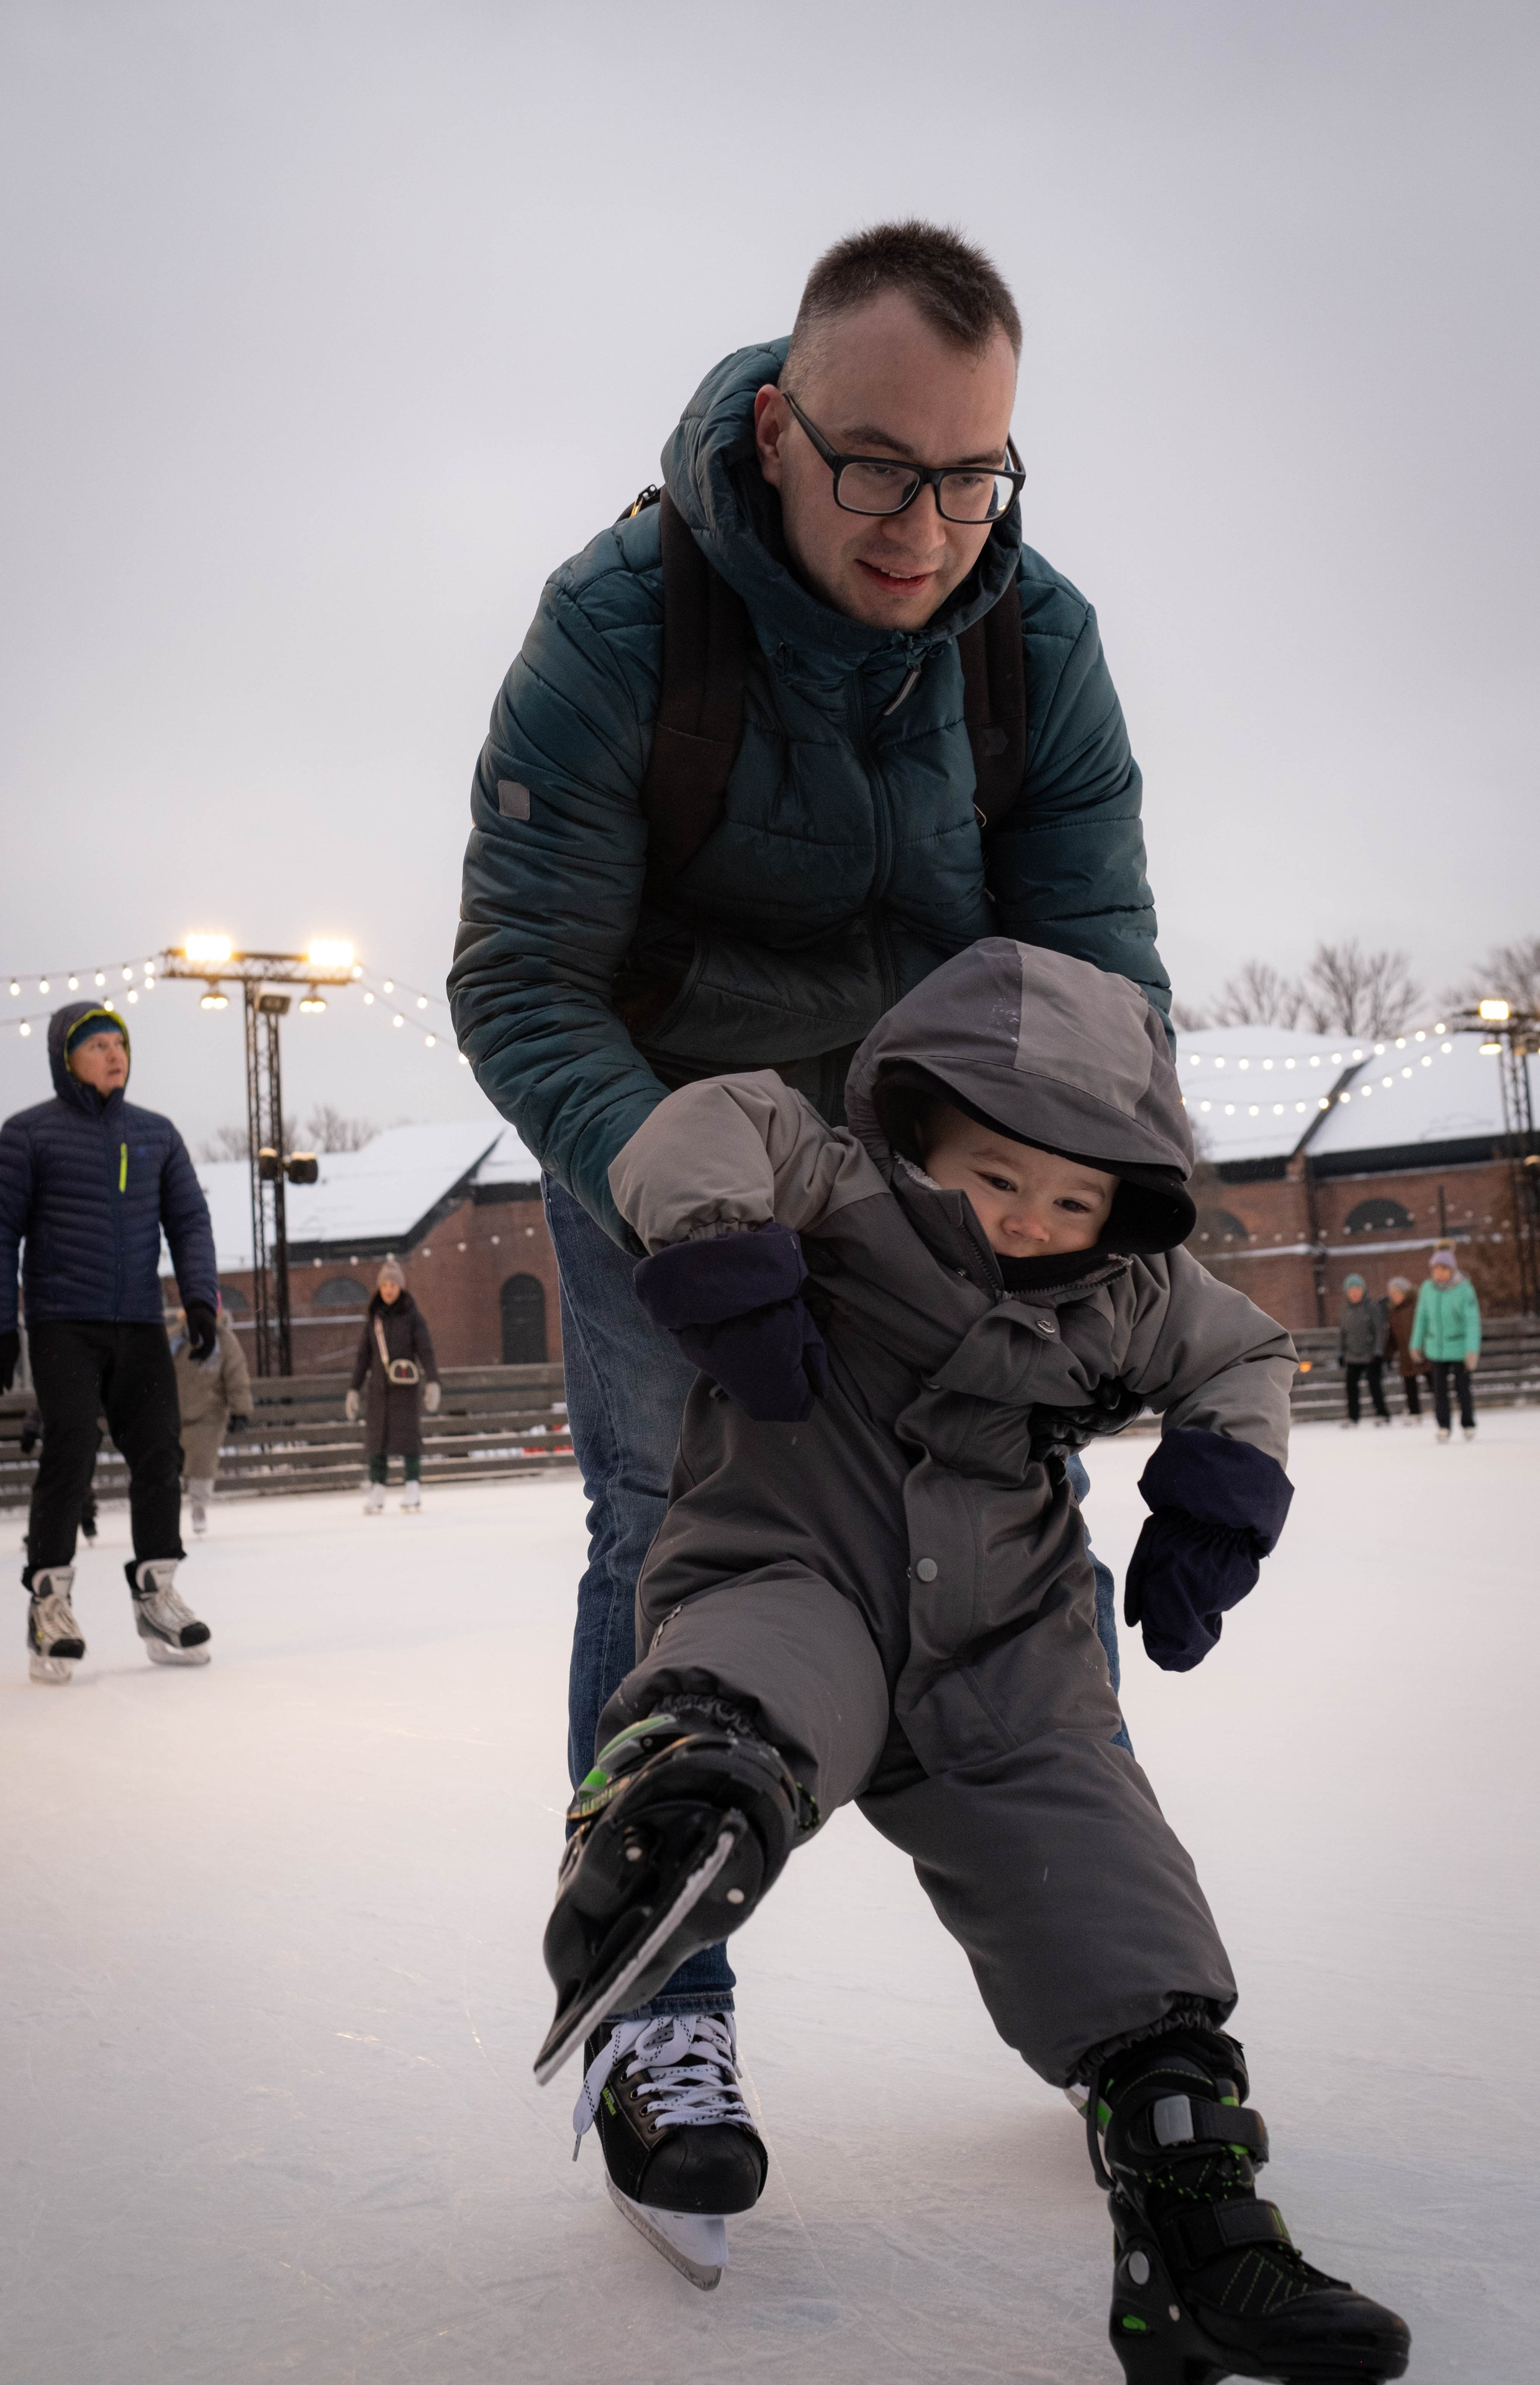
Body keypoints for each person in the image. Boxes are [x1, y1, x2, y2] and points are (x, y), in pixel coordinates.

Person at [450, 220, 1171, 2188]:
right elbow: (520, 977)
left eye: (969, 471)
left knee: (1019, 1546)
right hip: (670, 1135)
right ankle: (660, 2016)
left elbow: (1098, 968)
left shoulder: (1040, 641)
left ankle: (1126, 2006)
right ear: (774, 427)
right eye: (873, 462)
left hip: (939, 1160)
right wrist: (678, 1191)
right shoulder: (617, 628)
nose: (923, 524)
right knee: (665, 1532)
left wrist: (1131, 1251)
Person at [536, 940, 1410, 2379]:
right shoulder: (828, 1179)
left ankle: (1197, 2230)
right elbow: (698, 1123)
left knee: (1114, 1893)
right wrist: (718, 1249)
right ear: (914, 1124)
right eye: (994, 1176)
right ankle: (677, 1806)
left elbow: (1244, 1350)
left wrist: (1217, 1487)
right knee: (756, 1685)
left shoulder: (1120, 1286)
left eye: (1070, 1199)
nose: (1027, 1220)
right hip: (797, 1560)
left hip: (1004, 1637)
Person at [0, 1002, 219, 1683]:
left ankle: (156, 1593)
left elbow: (190, 1221)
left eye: (121, 1044)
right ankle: (49, 1602)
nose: (115, 1055)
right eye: (98, 1046)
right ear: (66, 1059)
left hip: (140, 1321)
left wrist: (200, 1298)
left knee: (160, 1452)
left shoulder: (156, 1135)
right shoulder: (29, 1136)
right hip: (63, 1322)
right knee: (71, 1448)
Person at [346, 1259, 440, 1512]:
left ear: (401, 1287)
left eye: (393, 1284)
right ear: (379, 1288)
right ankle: (377, 1490)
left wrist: (433, 1381)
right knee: (377, 1440)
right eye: (385, 1284)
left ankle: (413, 1488)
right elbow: (363, 1357)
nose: (389, 1289)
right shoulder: (373, 1319)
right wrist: (354, 1389)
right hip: (379, 1391)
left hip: (405, 1390)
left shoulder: (413, 1316)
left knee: (409, 1438)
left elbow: (426, 1350)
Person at [171, 1296, 252, 1534]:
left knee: (202, 1464)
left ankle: (198, 1507)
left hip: (209, 1414)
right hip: (174, 1414)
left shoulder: (224, 1341)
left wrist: (241, 1410)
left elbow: (236, 1377)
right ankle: (169, 1512)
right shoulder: (175, 1338)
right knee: (171, 1466)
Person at [1409, 1247, 1480, 1442]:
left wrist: (1472, 1350)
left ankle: (1468, 1424)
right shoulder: (1427, 1289)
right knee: (1439, 1391)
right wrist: (1416, 1344)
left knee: (1462, 1389)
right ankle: (1443, 1426)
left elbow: (1472, 1322)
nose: (1439, 1273)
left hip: (1459, 1348)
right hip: (1436, 1349)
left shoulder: (1464, 1289)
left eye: (1443, 1269)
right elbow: (1421, 1318)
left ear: (1452, 1269)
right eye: (1436, 1269)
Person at [19, 1404, 99, 1541]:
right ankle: (43, 1529)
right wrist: (30, 1432)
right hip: (55, 1446)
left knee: (80, 1481)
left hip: (82, 1442)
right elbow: (39, 1409)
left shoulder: (90, 1390)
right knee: (52, 1487)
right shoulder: (54, 1388)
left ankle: (86, 1518)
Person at [1336, 1271, 1390, 1427]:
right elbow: (1343, 1333)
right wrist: (1342, 1352)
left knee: (1374, 1385)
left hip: (1371, 1354)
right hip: (1352, 1354)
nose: (1354, 1293)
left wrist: (1379, 1352)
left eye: (1357, 1290)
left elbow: (1380, 1331)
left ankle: (1382, 1413)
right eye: (1351, 1290)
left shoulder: (1372, 1307)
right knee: (1351, 1386)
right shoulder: (1344, 1310)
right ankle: (1353, 1417)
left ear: (1363, 1290)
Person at [1384, 1276, 1425, 1423]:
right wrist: (1388, 1354)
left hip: (1422, 1352)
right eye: (1392, 1294)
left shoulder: (1417, 1307)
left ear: (1405, 1293)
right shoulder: (1393, 1312)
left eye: (1397, 1293)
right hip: (1405, 1355)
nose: (1394, 1297)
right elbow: (1392, 1337)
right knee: (1410, 1384)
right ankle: (1415, 1412)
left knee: (1433, 1381)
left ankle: (1443, 1407)